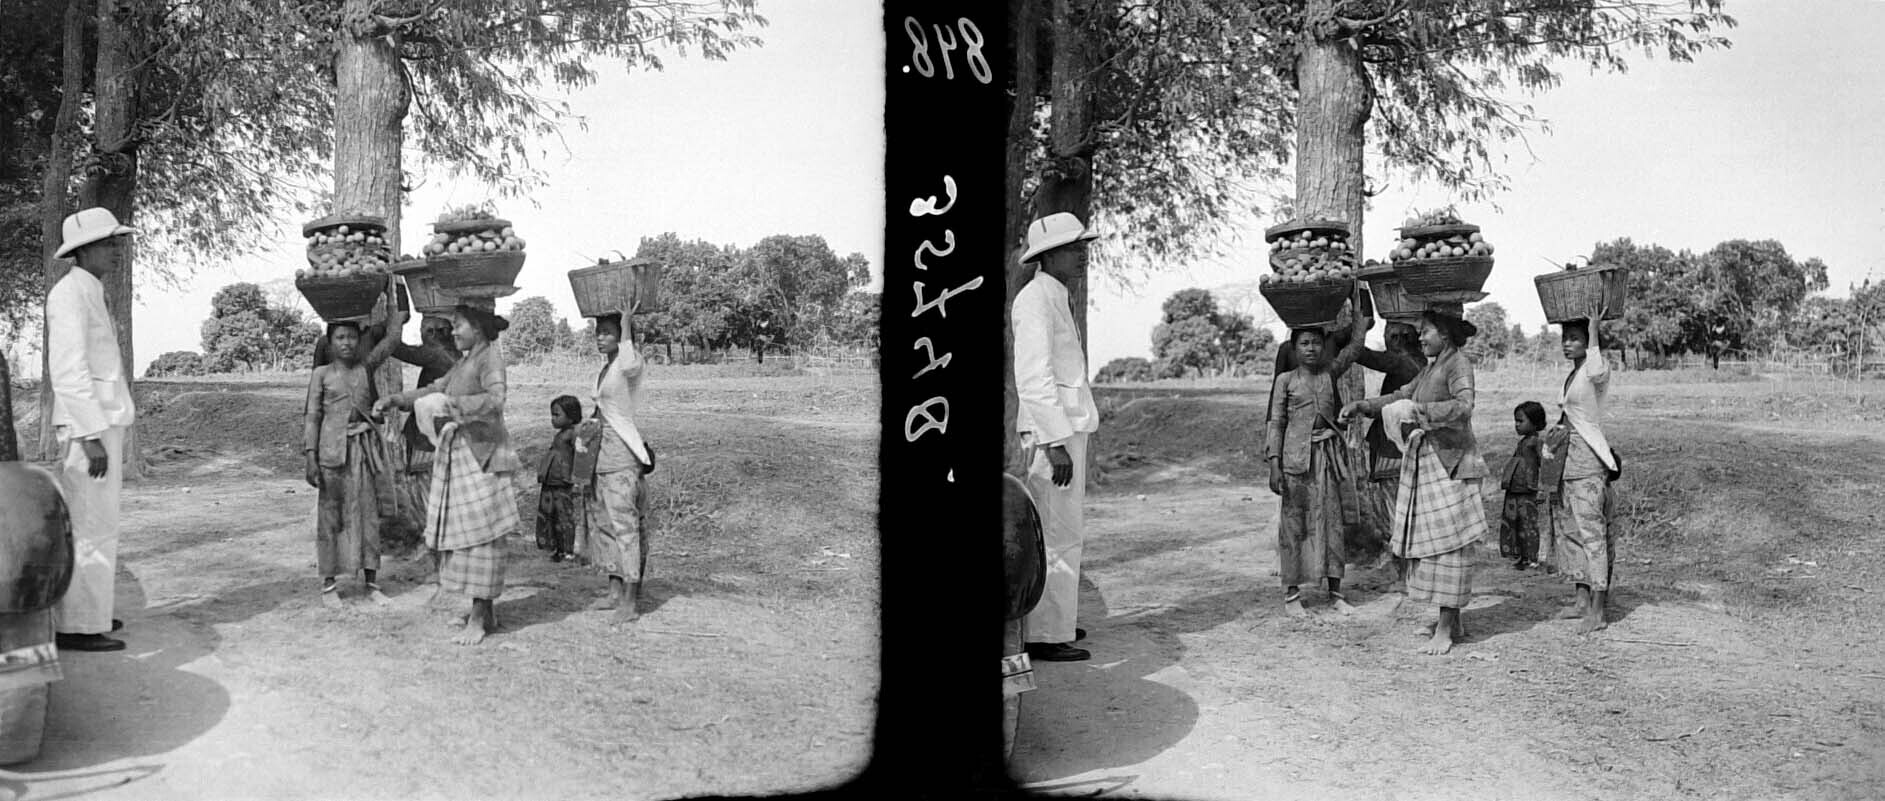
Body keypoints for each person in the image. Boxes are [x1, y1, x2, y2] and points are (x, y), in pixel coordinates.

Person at [1340, 309, 1488, 656]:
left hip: (1453, 461)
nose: (1420, 338)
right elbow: (1401, 395)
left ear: (1445, 335)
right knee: (1438, 544)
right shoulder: (1431, 367)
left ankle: (1446, 629)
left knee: (1450, 546)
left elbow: (1464, 406)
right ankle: (1452, 621)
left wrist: (1420, 413)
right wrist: (1363, 406)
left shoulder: (1457, 364)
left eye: (1426, 332)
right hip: (1434, 460)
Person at [374, 304, 520, 645]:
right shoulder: (465, 362)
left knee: (482, 538)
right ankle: (485, 613)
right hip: (467, 453)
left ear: (477, 329)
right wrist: (396, 399)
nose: (453, 332)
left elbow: (496, 399)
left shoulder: (489, 359)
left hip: (485, 455)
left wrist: (454, 407)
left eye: (458, 326)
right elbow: (434, 389)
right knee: (471, 536)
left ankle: (479, 618)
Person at [45, 207, 138, 652]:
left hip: (102, 422)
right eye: (107, 243)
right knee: (88, 524)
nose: (116, 251)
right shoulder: (68, 294)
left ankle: (91, 614)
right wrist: (88, 435)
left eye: (116, 242)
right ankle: (76, 626)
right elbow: (68, 370)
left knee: (100, 523)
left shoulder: (89, 290)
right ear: (83, 250)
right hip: (90, 428)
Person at [1012, 211, 1101, 662]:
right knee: (1055, 530)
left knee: (1065, 529)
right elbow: (1033, 377)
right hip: (1054, 433)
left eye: (1083, 247)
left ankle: (1056, 622)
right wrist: (1053, 441)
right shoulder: (1034, 300)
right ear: (1048, 256)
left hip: (1065, 428)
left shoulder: (1055, 295)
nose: (1082, 255)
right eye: (1073, 248)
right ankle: (1045, 634)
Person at [1265, 308, 1367, 617]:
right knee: (1294, 525)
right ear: (1294, 348)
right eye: (1305, 343)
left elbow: (1353, 349)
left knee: (1332, 524)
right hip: (1296, 462)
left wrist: (1360, 317)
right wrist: (1274, 464)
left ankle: (1336, 592)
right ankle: (1292, 594)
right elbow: (1276, 422)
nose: (1311, 349)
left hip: (1329, 459)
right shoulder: (1285, 381)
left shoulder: (1328, 375)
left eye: (1316, 343)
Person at [303, 316, 401, 606]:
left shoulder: (364, 371)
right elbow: (312, 416)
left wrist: (378, 413)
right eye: (340, 337)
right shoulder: (321, 374)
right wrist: (310, 456)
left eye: (352, 337)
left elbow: (374, 408)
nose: (346, 343)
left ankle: (371, 583)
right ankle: (329, 585)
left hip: (363, 451)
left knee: (368, 516)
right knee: (331, 517)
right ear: (330, 342)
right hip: (331, 453)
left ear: (359, 341)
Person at [1543, 305, 1620, 634]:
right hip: (1567, 459)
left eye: (1574, 338)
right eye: (1565, 338)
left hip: (1588, 459)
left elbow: (1598, 370)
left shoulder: (1594, 368)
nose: (1567, 344)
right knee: (1571, 531)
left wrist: (1593, 330)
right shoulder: (1573, 374)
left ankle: (1598, 611)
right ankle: (1581, 600)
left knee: (1592, 534)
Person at [582, 314, 655, 624]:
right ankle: (614, 590)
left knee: (625, 527)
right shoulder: (606, 368)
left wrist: (626, 324)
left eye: (607, 333)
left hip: (622, 453)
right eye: (598, 333)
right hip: (602, 451)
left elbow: (630, 362)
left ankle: (630, 599)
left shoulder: (629, 363)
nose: (601, 338)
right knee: (605, 523)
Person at [1353, 320, 1427, 579]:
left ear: (1403, 339)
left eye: (1394, 336)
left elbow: (1362, 354)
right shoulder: (1422, 363)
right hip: (1405, 444)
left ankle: (1404, 571)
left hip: (1393, 449)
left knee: (1395, 511)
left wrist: (1351, 333)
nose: (1391, 341)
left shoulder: (1403, 361)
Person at [1500, 401, 1547, 571]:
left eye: (1521, 421)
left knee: (1528, 523)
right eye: (1516, 421)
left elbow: (1544, 465)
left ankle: (1532, 557)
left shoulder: (1535, 442)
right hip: (1515, 489)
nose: (1517, 425)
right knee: (1515, 522)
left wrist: (1542, 488)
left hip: (1528, 490)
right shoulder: (1522, 442)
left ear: (1535, 422)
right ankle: (1521, 556)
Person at [537, 395, 583, 564]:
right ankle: (557, 548)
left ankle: (568, 551)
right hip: (551, 481)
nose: (553, 419)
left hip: (563, 482)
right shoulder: (561, 434)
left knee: (564, 516)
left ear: (571, 416)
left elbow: (579, 457)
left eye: (557, 415)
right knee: (551, 515)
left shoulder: (572, 434)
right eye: (552, 414)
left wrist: (577, 481)